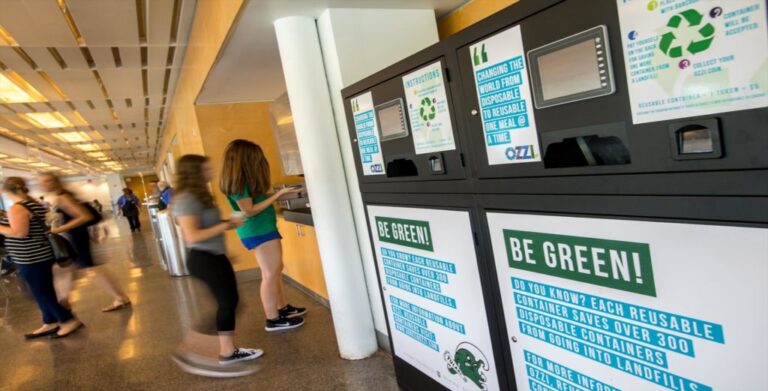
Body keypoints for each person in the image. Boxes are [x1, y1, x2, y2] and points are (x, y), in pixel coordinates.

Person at [172, 154, 263, 373]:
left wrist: (228, 224)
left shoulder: (200, 195)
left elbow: (207, 226)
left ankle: (227, 350)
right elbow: (192, 236)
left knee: (231, 302)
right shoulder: (186, 199)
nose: (211, 173)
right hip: (203, 258)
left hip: (214, 256)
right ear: (194, 172)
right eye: (206, 169)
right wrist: (225, 226)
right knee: (228, 302)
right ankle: (200, 349)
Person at [220, 139, 306, 332]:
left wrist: (290, 193)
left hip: (262, 228)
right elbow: (249, 210)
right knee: (269, 273)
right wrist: (277, 195)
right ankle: (272, 319)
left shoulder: (242, 182)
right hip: (258, 229)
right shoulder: (238, 184)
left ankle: (282, 307)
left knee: (276, 269)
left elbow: (259, 199)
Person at [0, 177, 83, 338]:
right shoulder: (32, 204)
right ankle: (50, 321)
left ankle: (68, 320)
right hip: (38, 254)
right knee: (42, 290)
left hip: (31, 257)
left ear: (5, 191)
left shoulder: (17, 208)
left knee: (39, 290)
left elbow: (19, 233)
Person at [38, 173, 131, 312]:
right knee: (68, 270)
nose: (43, 185)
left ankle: (120, 297)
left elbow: (84, 216)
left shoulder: (63, 197)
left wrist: (59, 229)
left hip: (77, 238)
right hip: (75, 237)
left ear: (54, 182)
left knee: (91, 269)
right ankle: (63, 302)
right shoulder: (62, 196)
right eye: (41, 182)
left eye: (46, 181)